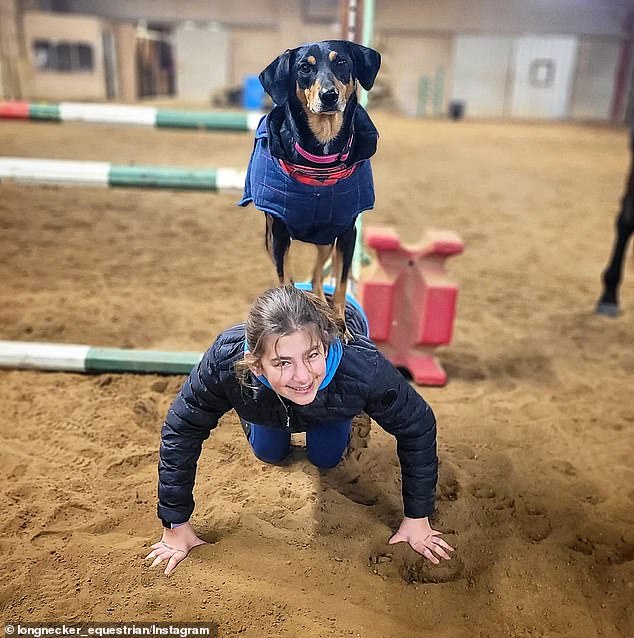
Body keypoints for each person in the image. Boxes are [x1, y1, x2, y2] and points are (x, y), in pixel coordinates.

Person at [146, 285, 454, 575]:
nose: (302, 375)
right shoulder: (226, 362)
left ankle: (346, 410)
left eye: (312, 355)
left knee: (327, 458)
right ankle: (271, 400)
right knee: (268, 451)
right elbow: (182, 428)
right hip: (266, 392)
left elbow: (418, 425)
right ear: (256, 365)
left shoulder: (361, 367)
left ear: (325, 347)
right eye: (282, 362)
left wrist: (417, 518)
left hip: (336, 380)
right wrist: (175, 525)